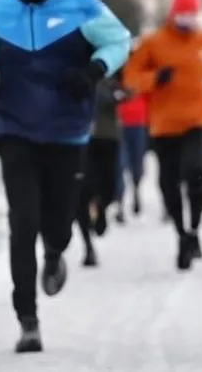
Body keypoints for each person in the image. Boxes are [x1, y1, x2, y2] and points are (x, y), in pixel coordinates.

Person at [0, 0, 131, 354]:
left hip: (67, 132)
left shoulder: (81, 4)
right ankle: (28, 319)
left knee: (58, 224)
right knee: (23, 222)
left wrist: (94, 70)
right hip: (15, 129)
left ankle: (55, 252)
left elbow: (118, 40)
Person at [124, 0, 202, 271]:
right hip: (164, 125)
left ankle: (195, 227)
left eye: (192, 14)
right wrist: (154, 79)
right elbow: (131, 76)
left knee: (195, 171)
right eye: (183, 13)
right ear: (173, 13)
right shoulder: (154, 43)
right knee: (168, 182)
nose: (187, 19)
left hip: (197, 121)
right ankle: (181, 234)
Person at [74, 73, 124, 267]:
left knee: (109, 186)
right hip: (78, 138)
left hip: (108, 136)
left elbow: (130, 86)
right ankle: (88, 245)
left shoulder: (111, 68)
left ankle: (102, 207)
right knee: (82, 191)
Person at [112, 78, 148, 222]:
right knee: (120, 164)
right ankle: (120, 204)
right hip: (118, 124)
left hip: (139, 122)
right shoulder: (114, 72)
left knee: (137, 165)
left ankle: (136, 190)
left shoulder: (141, 69)